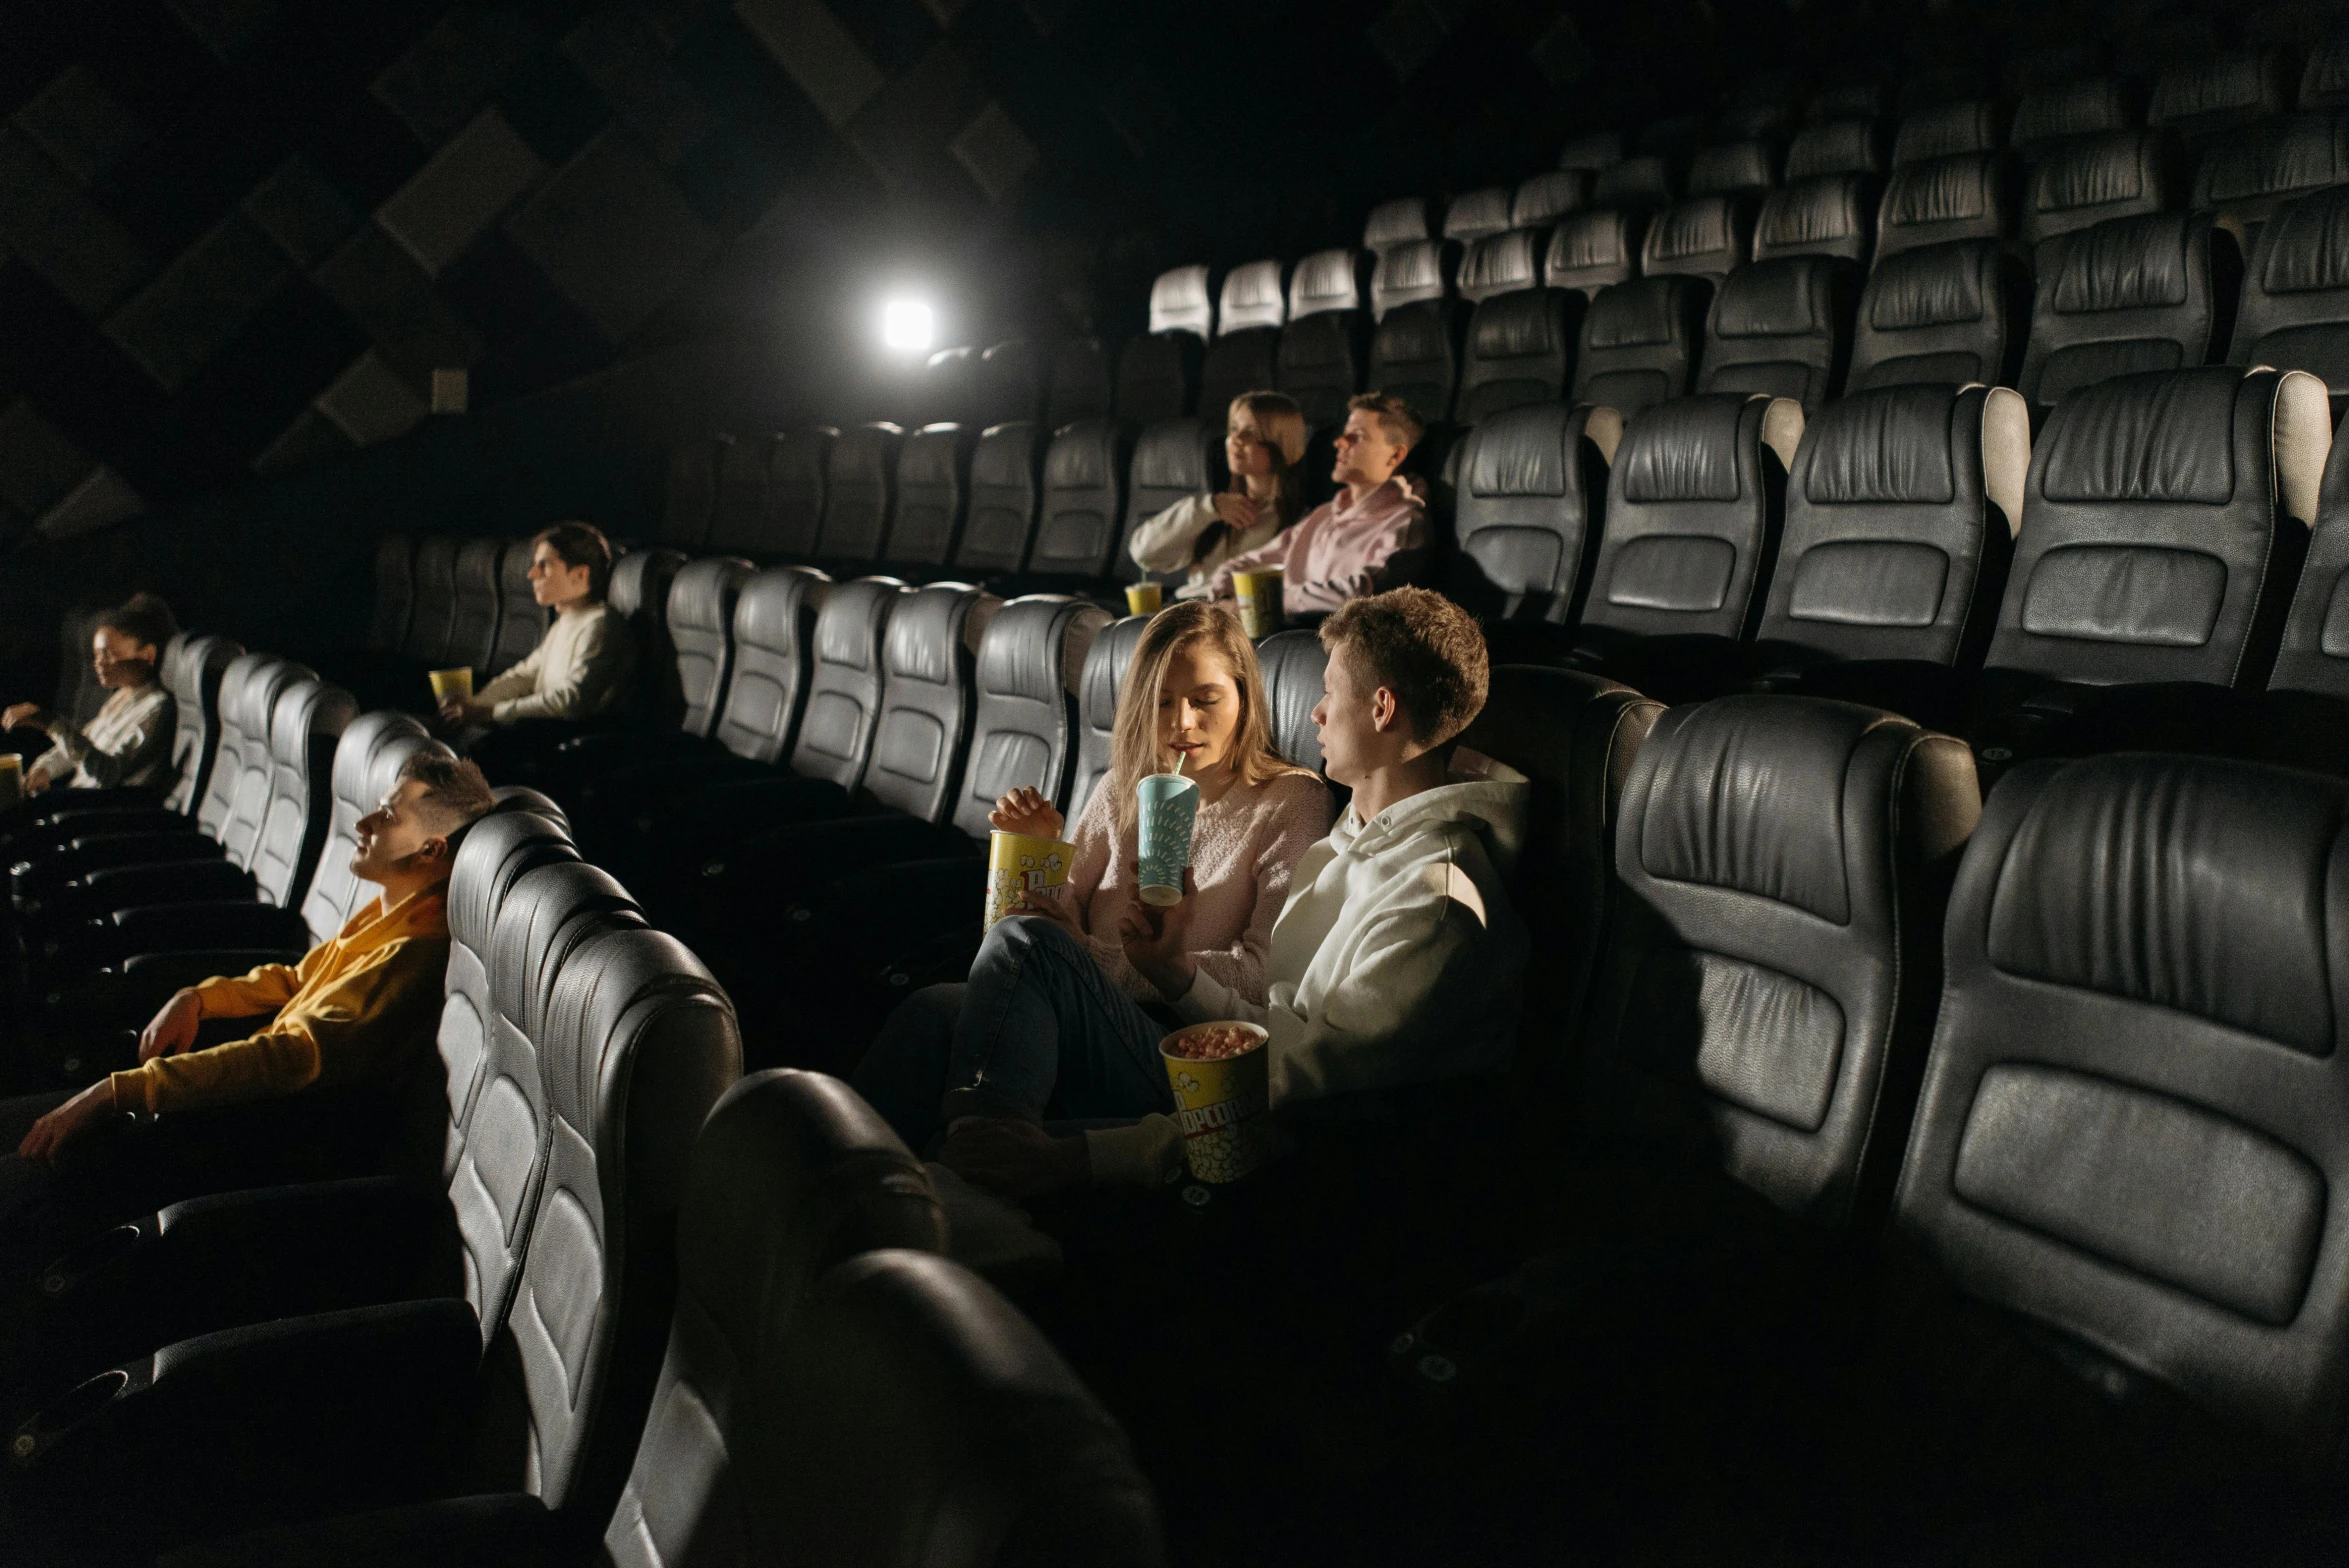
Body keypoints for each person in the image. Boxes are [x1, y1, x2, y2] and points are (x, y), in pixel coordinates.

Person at [917, 587, 1530, 1198]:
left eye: (1329, 693)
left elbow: (1299, 1099)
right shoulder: (1358, 835)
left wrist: (1079, 1157)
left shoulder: (1434, 903)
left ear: (1381, 709)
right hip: (1217, 1084)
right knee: (937, 1023)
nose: (1314, 714)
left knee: (1015, 987)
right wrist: (1174, 969)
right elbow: (1273, 1031)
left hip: (1264, 1159)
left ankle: (970, 1189)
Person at [851, 600, 1334, 1158]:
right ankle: (845, 1174)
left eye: (1206, 701)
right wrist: (1036, 851)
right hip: (1082, 1005)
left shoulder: (1291, 800)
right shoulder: (1122, 788)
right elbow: (1037, 928)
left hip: (1181, 1042)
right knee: (931, 1010)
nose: (1183, 723)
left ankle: (984, 1154)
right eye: (1162, 703)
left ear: (1245, 700)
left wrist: (1098, 959)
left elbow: (1260, 980)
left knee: (1005, 967)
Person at [0, 753, 497, 1251]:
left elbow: (286, 1058)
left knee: (28, 1167)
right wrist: (196, 997)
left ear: (432, 849)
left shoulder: (412, 954)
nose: (363, 821)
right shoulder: (392, 914)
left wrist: (120, 1092)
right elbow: (296, 978)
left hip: (253, 1151)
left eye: (388, 816)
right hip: (229, 1117)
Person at [1207, 394, 1430, 617]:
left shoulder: (1404, 522)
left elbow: (1362, 592)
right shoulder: (1325, 514)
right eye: (1344, 434)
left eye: (1357, 437)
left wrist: (1263, 601)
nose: (1340, 442)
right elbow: (1254, 561)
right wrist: (1223, 594)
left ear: (1395, 455)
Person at [442, 522, 636, 737]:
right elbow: (525, 675)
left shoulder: (600, 625)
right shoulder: (566, 622)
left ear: (580, 574)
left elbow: (571, 701)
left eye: (544, 566)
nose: (531, 574)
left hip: (572, 743)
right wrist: (472, 705)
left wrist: (491, 712)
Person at [1127, 391, 1310, 599]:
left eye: (1251, 432)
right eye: (1233, 429)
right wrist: (1209, 508)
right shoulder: (1215, 508)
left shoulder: (1299, 521)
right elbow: (1143, 554)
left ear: (1282, 444)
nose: (1236, 439)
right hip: (1188, 611)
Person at [1, 593, 179, 797]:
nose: (98, 663)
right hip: (78, 799)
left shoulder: (156, 709)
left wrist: (49, 722)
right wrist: (46, 767)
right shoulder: (122, 696)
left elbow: (108, 773)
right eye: (96, 655)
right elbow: (83, 745)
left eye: (109, 654)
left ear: (147, 654)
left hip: (101, 811)